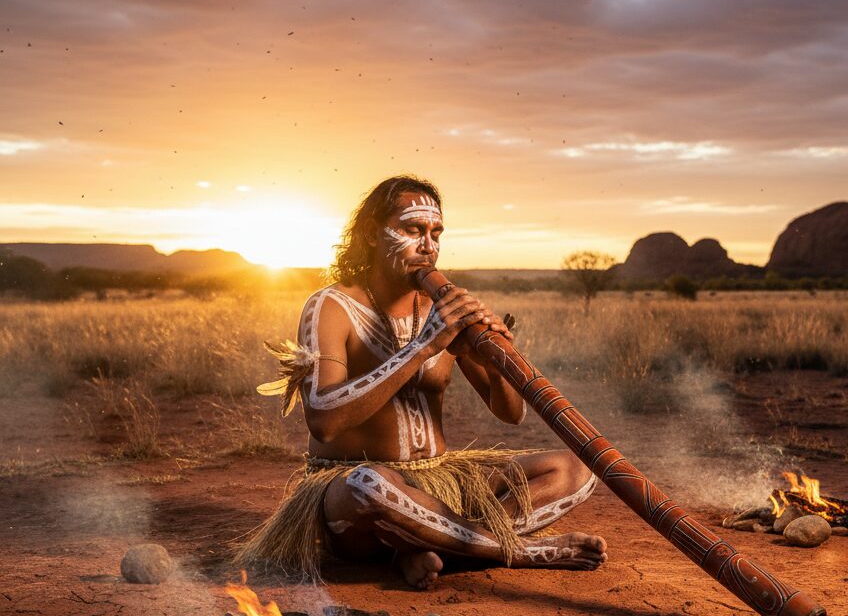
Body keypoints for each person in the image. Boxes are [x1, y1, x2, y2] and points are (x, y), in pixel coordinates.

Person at [238, 175, 606, 588]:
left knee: (575, 469)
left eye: (436, 233)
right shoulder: (330, 306)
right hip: (354, 489)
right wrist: (424, 346)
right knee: (370, 485)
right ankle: (516, 550)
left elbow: (511, 413)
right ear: (372, 236)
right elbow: (323, 418)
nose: (428, 246)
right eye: (412, 230)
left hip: (439, 481)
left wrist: (492, 356)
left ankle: (433, 548)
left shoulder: (441, 308)